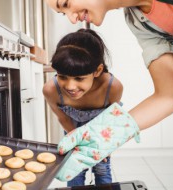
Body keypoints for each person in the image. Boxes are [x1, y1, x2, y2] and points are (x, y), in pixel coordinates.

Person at [45, 0, 173, 132]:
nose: (72, 19)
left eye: (65, 3)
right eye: (62, 12)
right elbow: (169, 96)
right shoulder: (139, 23)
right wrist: (105, 138)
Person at [43, 29, 123, 186]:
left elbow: (111, 119)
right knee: (74, 170)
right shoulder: (51, 90)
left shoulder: (112, 87)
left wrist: (104, 146)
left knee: (102, 168)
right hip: (72, 129)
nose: (70, 86)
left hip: (101, 132)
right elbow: (62, 117)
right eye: (62, 76)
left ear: (97, 71)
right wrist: (76, 142)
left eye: (79, 78)